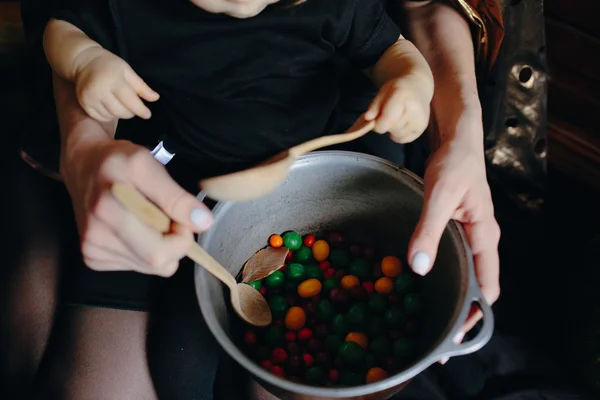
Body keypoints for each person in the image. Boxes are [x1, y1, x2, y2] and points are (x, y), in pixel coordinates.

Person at [3, 0, 502, 399]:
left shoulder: (337, 7)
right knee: (172, 366)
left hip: (317, 157)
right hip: (177, 163)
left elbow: (393, 48)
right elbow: (63, 26)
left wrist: (411, 85)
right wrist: (87, 63)